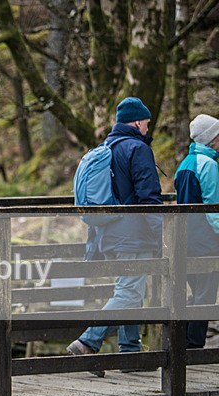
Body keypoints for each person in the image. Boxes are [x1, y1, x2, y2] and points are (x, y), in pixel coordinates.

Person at [67, 97, 163, 376]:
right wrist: (163, 237)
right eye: (146, 122)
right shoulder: (138, 149)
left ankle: (130, 352)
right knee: (130, 292)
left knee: (130, 291)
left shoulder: (106, 148)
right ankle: (88, 341)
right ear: (136, 122)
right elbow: (149, 197)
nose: (148, 127)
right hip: (133, 236)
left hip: (107, 233)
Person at [174, 114, 219, 348]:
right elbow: (214, 208)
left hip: (185, 238)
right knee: (205, 294)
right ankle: (193, 345)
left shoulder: (185, 164)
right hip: (205, 240)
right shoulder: (208, 165)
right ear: (211, 138)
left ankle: (185, 340)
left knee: (197, 290)